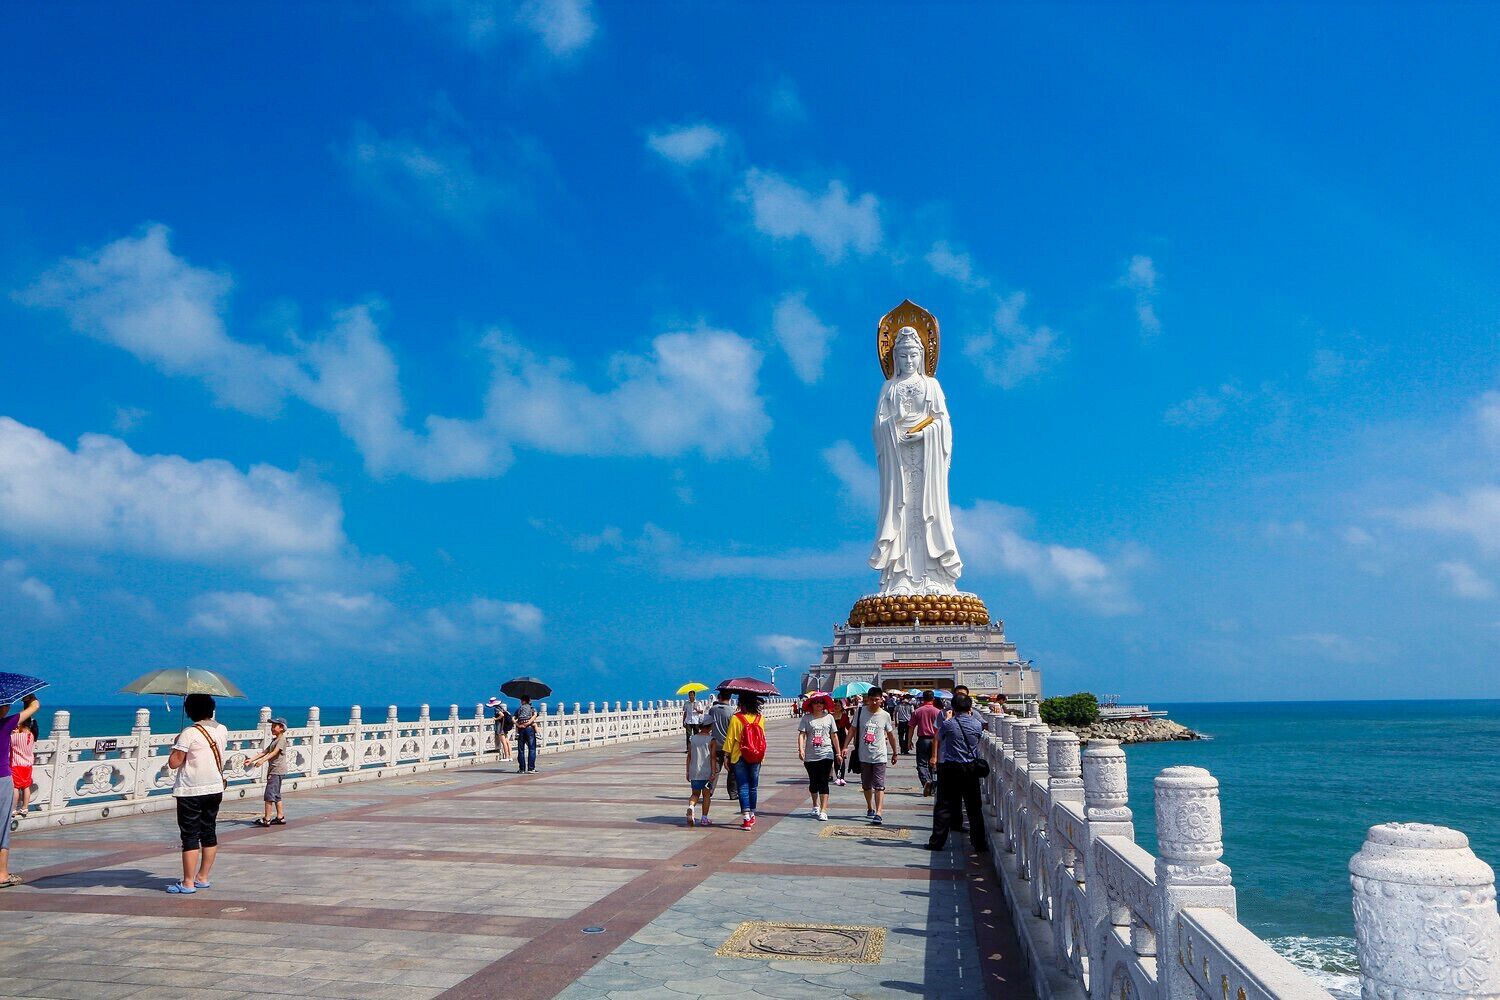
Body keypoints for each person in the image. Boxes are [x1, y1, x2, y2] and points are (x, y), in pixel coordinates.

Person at [167, 693, 228, 894]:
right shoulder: (222, 729)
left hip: (191, 790)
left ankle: (187, 882)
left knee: (190, 835)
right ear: (211, 709)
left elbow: (175, 762)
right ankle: (202, 877)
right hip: (215, 788)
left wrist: (176, 743)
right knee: (209, 832)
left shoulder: (189, 733)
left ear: (190, 711)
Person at [926, 693, 989, 853]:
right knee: (974, 807)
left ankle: (937, 842)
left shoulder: (948, 724)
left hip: (950, 768)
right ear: (970, 707)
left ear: (952, 708)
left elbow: (938, 737)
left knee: (943, 806)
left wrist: (947, 720)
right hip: (970, 769)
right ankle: (979, 843)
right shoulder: (976, 724)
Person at [0, 694, 41, 887]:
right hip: (2, 779)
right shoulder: (7, 724)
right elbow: (35, 706)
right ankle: (2, 874)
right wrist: (28, 697)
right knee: (2, 826)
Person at [844, 688, 898, 825]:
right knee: (866, 785)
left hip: (880, 755)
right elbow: (852, 730)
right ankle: (870, 807)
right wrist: (845, 746)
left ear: (881, 699)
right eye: (871, 699)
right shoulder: (860, 712)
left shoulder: (885, 715)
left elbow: (891, 735)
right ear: (867, 699)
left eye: (877, 699)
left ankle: (879, 812)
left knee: (879, 785)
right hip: (864, 755)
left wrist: (895, 751)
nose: (874, 702)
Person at [722, 692, 766, 831]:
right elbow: (762, 739)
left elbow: (730, 738)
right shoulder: (760, 718)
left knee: (742, 786)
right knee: (753, 786)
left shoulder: (736, 718)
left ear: (741, 703)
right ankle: (752, 814)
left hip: (739, 756)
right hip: (756, 756)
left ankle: (746, 817)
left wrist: (726, 756)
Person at [796, 696, 841, 821]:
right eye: (816, 703)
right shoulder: (806, 718)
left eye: (821, 703)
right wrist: (801, 749)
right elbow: (802, 734)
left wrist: (838, 753)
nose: (818, 705)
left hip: (826, 753)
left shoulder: (829, 717)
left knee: (823, 781)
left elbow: (834, 736)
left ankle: (823, 810)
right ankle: (815, 805)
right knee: (813, 782)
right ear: (811, 705)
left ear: (824, 704)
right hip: (811, 755)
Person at [245, 717, 290, 827]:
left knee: (269, 795)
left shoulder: (282, 740)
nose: (272, 728)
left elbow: (274, 752)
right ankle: (280, 817)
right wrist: (252, 759)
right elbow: (265, 751)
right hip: (277, 770)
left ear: (282, 728)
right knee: (276, 794)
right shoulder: (275, 740)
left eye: (275, 726)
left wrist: (262, 761)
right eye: (272, 726)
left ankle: (267, 819)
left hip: (276, 770)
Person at [706, 689, 738, 803]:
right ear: (730, 698)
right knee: (731, 770)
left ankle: (709, 791)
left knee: (714, 769)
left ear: (719, 697)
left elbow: (708, 724)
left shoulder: (712, 710)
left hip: (714, 744)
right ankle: (733, 793)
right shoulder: (731, 712)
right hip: (728, 745)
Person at [912, 691, 942, 796]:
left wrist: (909, 741)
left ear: (922, 699)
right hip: (936, 740)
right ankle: (933, 784)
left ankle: (926, 781)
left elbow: (911, 726)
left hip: (922, 739)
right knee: (933, 763)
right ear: (933, 699)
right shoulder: (938, 712)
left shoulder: (917, 711)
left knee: (921, 763)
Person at [685, 720, 715, 826]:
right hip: (706, 771)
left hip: (694, 770)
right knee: (706, 795)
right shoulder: (711, 740)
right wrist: (714, 772)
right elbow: (712, 757)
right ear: (710, 727)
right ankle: (704, 818)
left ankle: (691, 807)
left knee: (695, 794)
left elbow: (689, 756)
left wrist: (688, 771)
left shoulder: (692, 738)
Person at [10, 715, 37, 819]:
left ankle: (13, 809)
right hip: (28, 765)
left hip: (16, 765)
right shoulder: (31, 735)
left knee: (15, 788)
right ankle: (25, 808)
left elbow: (9, 741)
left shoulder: (16, 736)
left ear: (21, 724)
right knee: (26, 787)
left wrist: (13, 731)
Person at [514, 696, 538, 773]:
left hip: (521, 729)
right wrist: (528, 722)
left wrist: (518, 725)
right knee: (532, 749)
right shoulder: (532, 708)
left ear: (522, 701)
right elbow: (535, 715)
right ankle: (531, 768)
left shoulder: (519, 709)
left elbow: (513, 718)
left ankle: (522, 769)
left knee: (521, 750)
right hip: (530, 728)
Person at [830, 697, 850, 786]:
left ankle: (842, 777)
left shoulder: (845, 716)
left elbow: (849, 727)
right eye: (835, 705)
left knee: (842, 757)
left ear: (842, 707)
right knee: (835, 757)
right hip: (833, 738)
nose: (837, 707)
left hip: (842, 737)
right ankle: (837, 777)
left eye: (838, 705)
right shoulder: (830, 716)